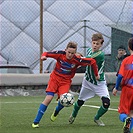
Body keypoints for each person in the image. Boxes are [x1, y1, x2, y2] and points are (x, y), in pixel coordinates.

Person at [32, 41, 100, 128]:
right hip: (54, 79)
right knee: (48, 98)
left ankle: (56, 111)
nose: (70, 55)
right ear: (65, 50)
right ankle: (36, 122)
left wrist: (96, 74)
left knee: (63, 101)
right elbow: (46, 53)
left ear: (75, 53)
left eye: (72, 53)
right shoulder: (60, 54)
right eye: (69, 52)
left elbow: (93, 62)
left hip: (65, 82)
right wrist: (43, 56)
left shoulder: (77, 60)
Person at [69, 33, 110, 126]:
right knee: (80, 102)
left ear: (101, 45)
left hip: (99, 83)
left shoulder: (100, 54)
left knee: (106, 103)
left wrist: (74, 57)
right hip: (87, 82)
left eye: (97, 44)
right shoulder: (88, 50)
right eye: (94, 43)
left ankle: (97, 118)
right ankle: (73, 115)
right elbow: (84, 59)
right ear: (91, 43)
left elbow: (87, 59)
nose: (95, 45)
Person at [112, 38, 133, 133]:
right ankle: (128, 129)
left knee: (123, 113)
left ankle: (125, 120)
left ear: (128, 48)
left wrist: (116, 88)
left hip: (127, 90)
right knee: (132, 113)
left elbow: (120, 76)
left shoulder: (126, 60)